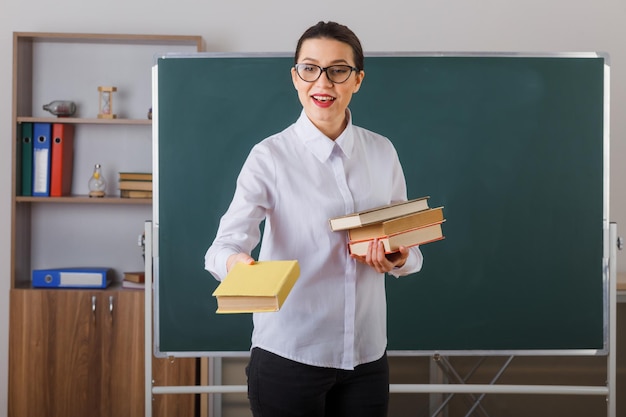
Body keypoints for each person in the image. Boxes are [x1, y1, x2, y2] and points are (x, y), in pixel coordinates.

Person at [205, 20, 424, 417]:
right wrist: (239, 264)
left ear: (357, 80)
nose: (322, 83)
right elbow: (221, 248)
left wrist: (397, 257)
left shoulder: (382, 152)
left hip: (366, 356)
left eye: (338, 70)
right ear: (295, 77)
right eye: (310, 68)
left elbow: (410, 247)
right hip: (290, 354)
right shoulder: (269, 157)